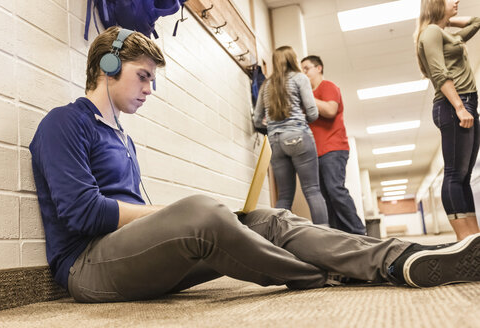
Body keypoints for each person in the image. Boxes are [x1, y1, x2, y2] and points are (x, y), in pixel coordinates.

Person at [29, 26, 480, 303]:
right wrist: (175, 215)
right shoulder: (63, 123)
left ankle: (401, 259)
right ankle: (323, 275)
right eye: (142, 76)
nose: (150, 88)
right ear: (107, 66)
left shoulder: (121, 135)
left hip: (132, 254)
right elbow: (83, 212)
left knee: (268, 218)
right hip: (86, 270)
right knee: (203, 213)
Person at [415, 0, 480, 240]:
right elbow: (439, 72)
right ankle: (464, 237)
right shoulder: (431, 32)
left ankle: (474, 237)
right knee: (455, 174)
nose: (457, 1)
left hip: (466, 104)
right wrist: (461, 108)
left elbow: (477, 22)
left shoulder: (444, 33)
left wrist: (446, 19)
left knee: (463, 175)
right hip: (453, 105)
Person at [253, 46, 329, 226]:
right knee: (312, 190)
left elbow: (256, 119)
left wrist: (272, 127)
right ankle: (325, 234)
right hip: (298, 136)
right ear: (292, 60)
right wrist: (299, 120)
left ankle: (279, 236)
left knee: (284, 196)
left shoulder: (266, 85)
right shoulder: (299, 78)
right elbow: (313, 112)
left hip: (275, 142)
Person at [300, 55, 366, 235]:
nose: (304, 73)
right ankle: (339, 237)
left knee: (335, 190)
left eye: (307, 68)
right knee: (324, 197)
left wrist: (306, 96)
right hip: (314, 153)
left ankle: (359, 233)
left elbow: (330, 110)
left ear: (319, 68)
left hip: (333, 148)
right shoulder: (307, 96)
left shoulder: (328, 87)